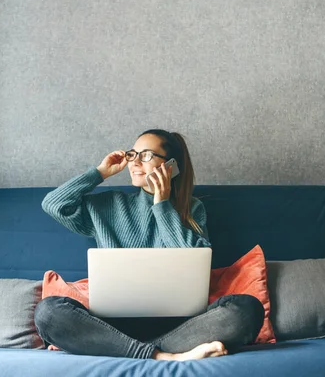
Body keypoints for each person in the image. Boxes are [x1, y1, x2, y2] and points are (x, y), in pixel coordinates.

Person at [34, 129, 264, 361]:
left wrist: (162, 205)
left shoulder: (191, 209)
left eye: (146, 155)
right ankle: (164, 356)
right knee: (48, 313)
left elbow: (193, 259)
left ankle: (139, 351)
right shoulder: (107, 205)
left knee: (247, 310)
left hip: (179, 327)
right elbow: (54, 204)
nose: (134, 162)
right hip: (112, 326)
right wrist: (100, 173)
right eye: (133, 154)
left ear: (171, 166)